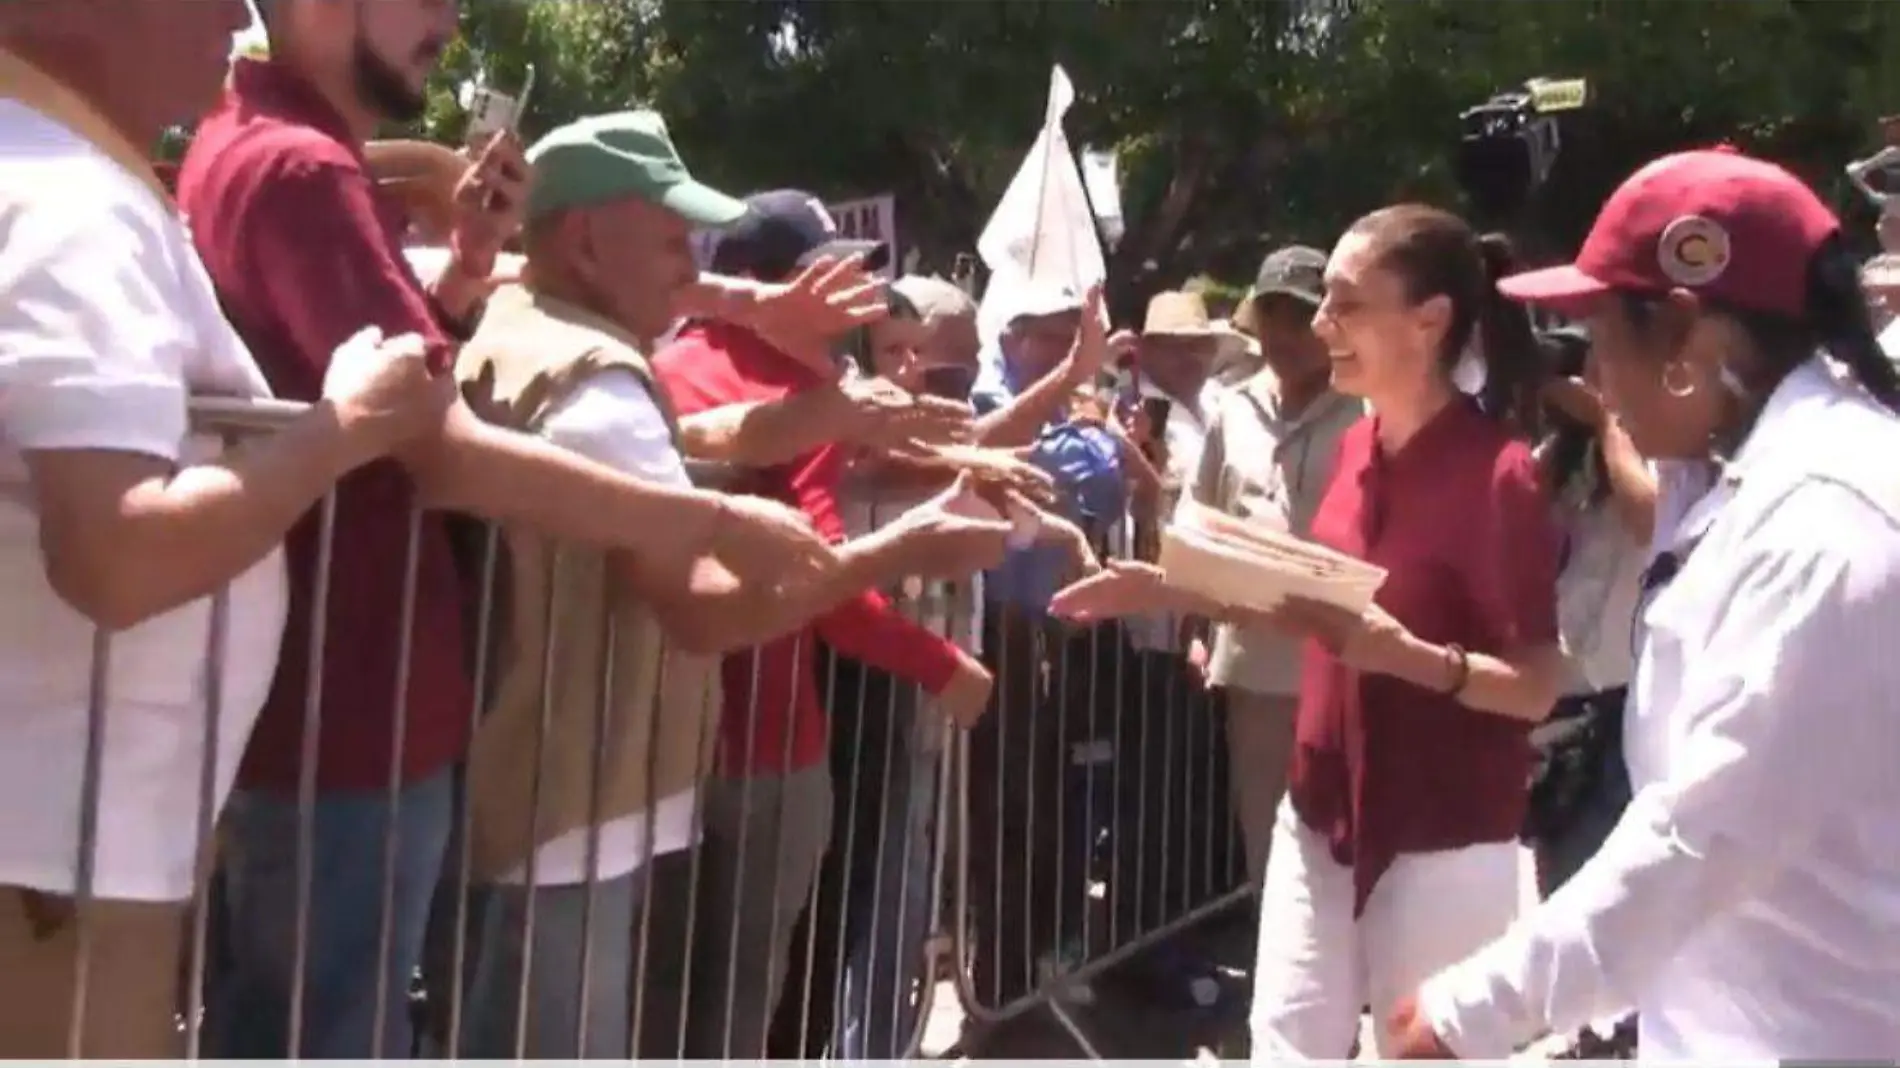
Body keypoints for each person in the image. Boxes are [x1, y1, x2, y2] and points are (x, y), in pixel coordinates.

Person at [179, 2, 859, 1057]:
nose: (450, 18)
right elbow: (439, 448)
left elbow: (388, 390)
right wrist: (720, 512)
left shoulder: (278, 154)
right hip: (351, 714)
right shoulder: (299, 169)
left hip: (346, 706)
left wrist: (457, 272)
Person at [444, 111, 1010, 1059]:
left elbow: (697, 443)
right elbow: (705, 608)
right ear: (584, 239)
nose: (688, 258)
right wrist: (894, 552)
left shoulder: (531, 329)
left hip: (557, 787)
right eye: (668, 235)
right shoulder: (598, 381)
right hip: (578, 803)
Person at [0, 1, 442, 1056]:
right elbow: (116, 552)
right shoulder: (69, 205)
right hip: (56, 862)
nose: (234, 11)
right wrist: (344, 429)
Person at [1390, 148, 1900, 1061]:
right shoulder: (1743, 481)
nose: (1596, 377)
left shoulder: (1829, 520)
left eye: (1600, 337)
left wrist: (1474, 1011)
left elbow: (1707, 834)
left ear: (1684, 334)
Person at [1053, 205, 1566, 1059]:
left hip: (1443, 827)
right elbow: (1314, 609)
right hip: (1319, 805)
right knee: (1285, 1043)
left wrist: (1411, 659)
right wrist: (1173, 587)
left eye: (1344, 303)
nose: (1319, 324)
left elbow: (1537, 684)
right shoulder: (1359, 445)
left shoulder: (1500, 473)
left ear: (1429, 320)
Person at [652, 190, 996, 1059]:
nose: (849, 305)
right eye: (826, 281)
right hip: (765, 744)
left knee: (659, 997)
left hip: (651, 742)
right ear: (762, 286)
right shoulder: (789, 386)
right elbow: (826, 581)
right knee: (745, 1000)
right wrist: (942, 663)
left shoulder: (660, 369)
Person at [1190, 246, 1363, 890]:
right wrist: (1196, 628)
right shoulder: (1233, 408)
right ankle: (1278, 984)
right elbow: (1197, 515)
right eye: (1273, 316)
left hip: (1346, 663)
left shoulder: (1368, 409)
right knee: (1266, 841)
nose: (1286, 334)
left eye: (1301, 315)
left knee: (1345, 846)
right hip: (1254, 666)